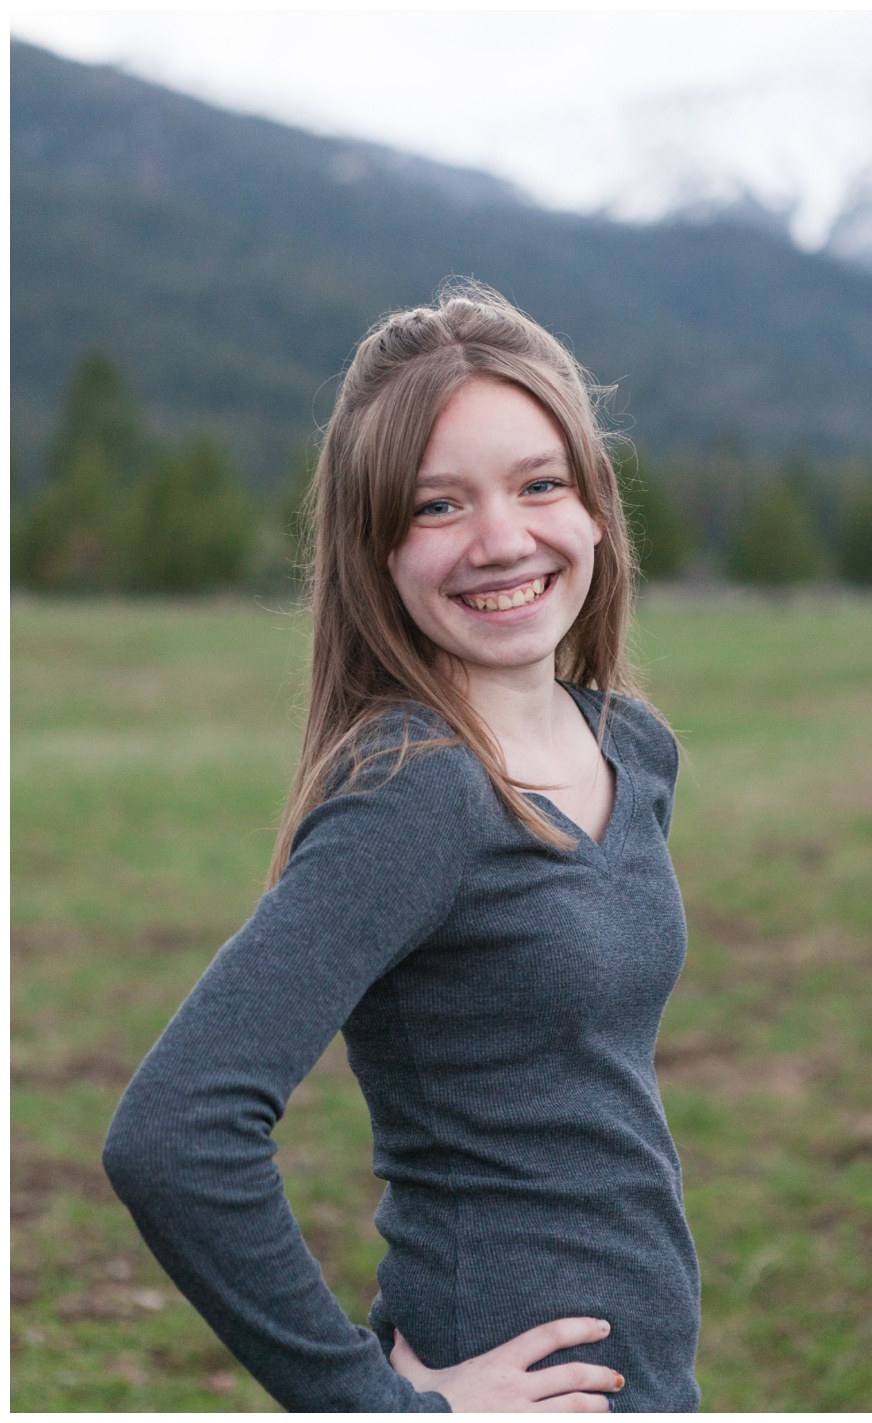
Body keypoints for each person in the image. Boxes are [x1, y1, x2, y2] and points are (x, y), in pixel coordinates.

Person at [103, 283, 699, 1412]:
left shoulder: (631, 745)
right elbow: (173, 1133)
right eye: (438, 506)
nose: (503, 539)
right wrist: (373, 1405)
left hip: (644, 1371)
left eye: (539, 483)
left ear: (593, 501)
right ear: (373, 548)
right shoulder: (418, 793)